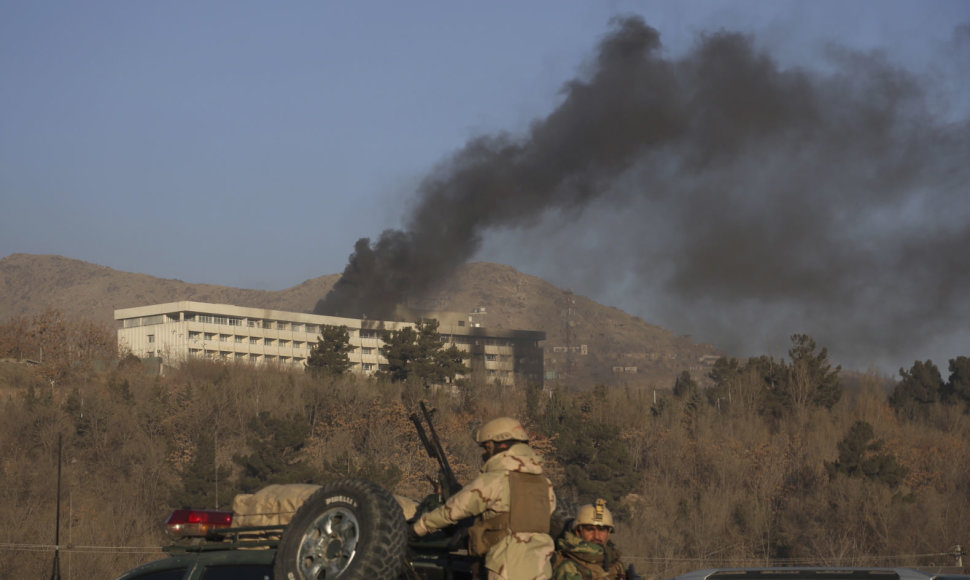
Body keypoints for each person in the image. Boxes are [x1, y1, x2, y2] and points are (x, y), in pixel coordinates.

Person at [412, 417, 557, 580]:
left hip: (506, 567)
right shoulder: (545, 484)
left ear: (501, 445)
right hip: (541, 568)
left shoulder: (496, 479)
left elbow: (454, 510)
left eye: (487, 447)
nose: (485, 453)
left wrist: (418, 528)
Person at [553, 499, 626, 580]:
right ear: (578, 532)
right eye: (590, 529)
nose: (597, 536)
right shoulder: (569, 566)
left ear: (608, 534)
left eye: (602, 530)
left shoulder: (616, 565)